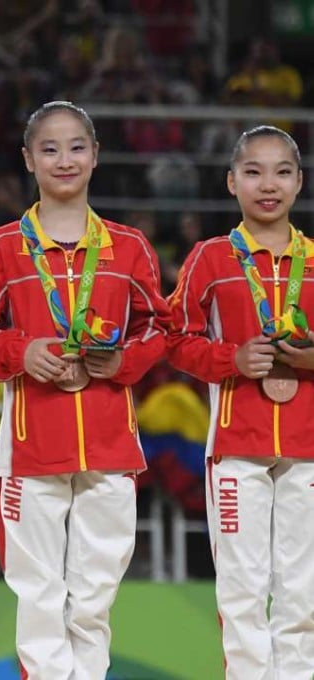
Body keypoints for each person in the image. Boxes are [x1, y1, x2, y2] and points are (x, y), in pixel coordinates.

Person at [0, 101, 170, 679]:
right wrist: (20, 353)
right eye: (49, 149)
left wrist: (122, 360)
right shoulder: (1, 247)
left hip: (109, 442)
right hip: (31, 446)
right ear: (29, 160)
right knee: (40, 597)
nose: (64, 159)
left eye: (76, 146)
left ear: (95, 156)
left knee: (95, 599)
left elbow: (161, 326)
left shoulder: (129, 248)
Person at [167, 125, 314, 679]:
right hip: (236, 446)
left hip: (309, 446)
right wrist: (231, 359)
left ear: (299, 183)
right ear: (232, 182)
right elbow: (174, 340)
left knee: (303, 593)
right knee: (243, 592)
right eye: (253, 171)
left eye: (281, 172)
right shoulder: (209, 258)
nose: (267, 184)